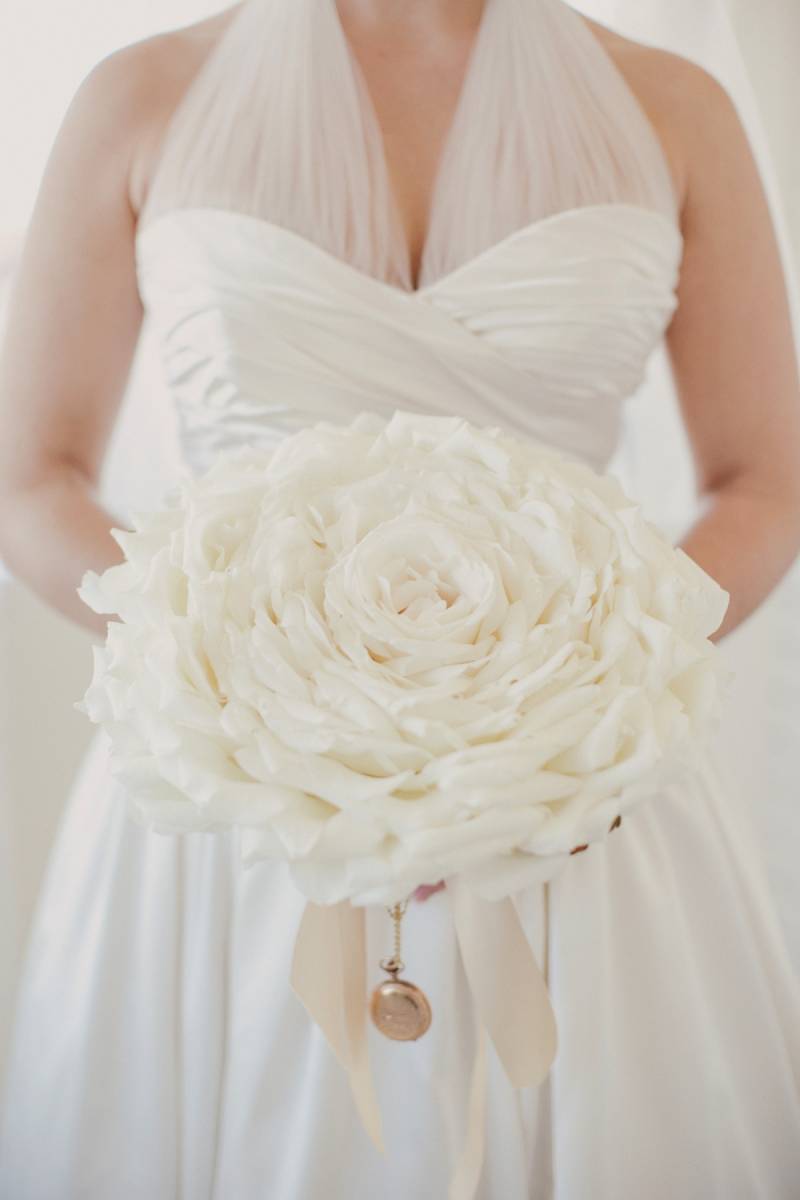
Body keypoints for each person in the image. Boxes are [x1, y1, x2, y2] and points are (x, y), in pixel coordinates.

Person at [1, 1, 799, 1196]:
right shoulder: (141, 95)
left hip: (579, 792)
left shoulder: (674, 110)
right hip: (231, 798)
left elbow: (764, 482)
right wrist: (229, 678)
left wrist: (578, 685)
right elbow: (29, 478)